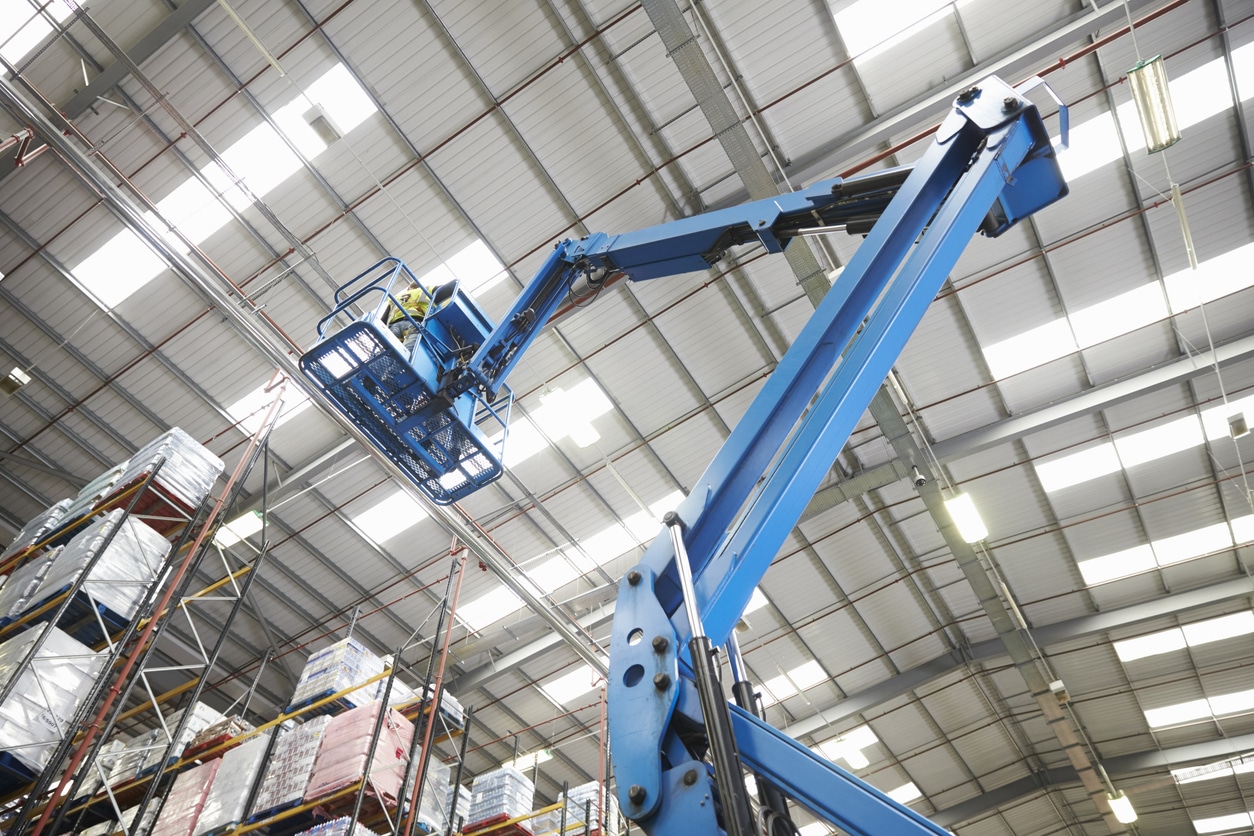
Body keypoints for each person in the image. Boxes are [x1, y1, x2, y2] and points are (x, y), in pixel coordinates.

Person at [387, 281, 429, 351]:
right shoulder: (423, 291)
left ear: (409, 287)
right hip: (414, 322)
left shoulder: (396, 298)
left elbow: (386, 316)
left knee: (390, 351)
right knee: (408, 351)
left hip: (395, 324)